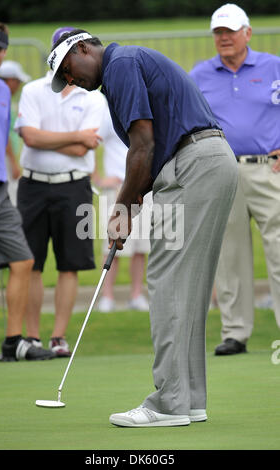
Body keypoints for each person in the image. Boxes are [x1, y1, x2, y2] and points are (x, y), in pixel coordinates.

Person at [47, 29, 238, 427]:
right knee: (186, 288)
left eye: (68, 69)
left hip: (192, 166)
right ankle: (188, 400)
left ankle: (168, 403)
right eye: (63, 78)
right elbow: (148, 157)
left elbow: (143, 145)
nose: (71, 81)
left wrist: (119, 208)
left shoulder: (119, 64)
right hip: (209, 162)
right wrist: (131, 204)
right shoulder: (125, 65)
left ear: (83, 49)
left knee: (166, 281)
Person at [190, 3, 280, 356]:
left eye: (229, 31)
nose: (224, 38)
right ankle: (235, 332)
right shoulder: (199, 75)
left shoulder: (274, 67)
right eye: (218, 33)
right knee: (229, 253)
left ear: (247, 33)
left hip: (267, 169)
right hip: (222, 170)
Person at [15, 27, 106, 357]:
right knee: (31, 263)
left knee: (70, 264)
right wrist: (73, 138)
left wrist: (47, 137)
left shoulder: (94, 96)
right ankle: (34, 337)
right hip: (33, 185)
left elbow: (85, 150)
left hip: (75, 186)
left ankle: (58, 337)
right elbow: (30, 139)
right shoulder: (34, 89)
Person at [0, 19, 54, 361]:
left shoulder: (1, 91)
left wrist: (10, 163)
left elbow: (0, 135)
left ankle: (12, 344)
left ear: (4, 52)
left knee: (23, 260)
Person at [93, 102, 151, 312]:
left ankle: (136, 295)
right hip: (116, 186)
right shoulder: (109, 109)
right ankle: (107, 296)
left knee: (140, 247)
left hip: (143, 185)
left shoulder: (145, 108)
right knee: (113, 244)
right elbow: (93, 142)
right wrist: (98, 178)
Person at [0, 60, 31, 205]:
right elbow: (4, 135)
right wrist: (13, 163)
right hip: (3, 159)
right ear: (9, 80)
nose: (18, 86)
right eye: (17, 81)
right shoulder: (0, 101)